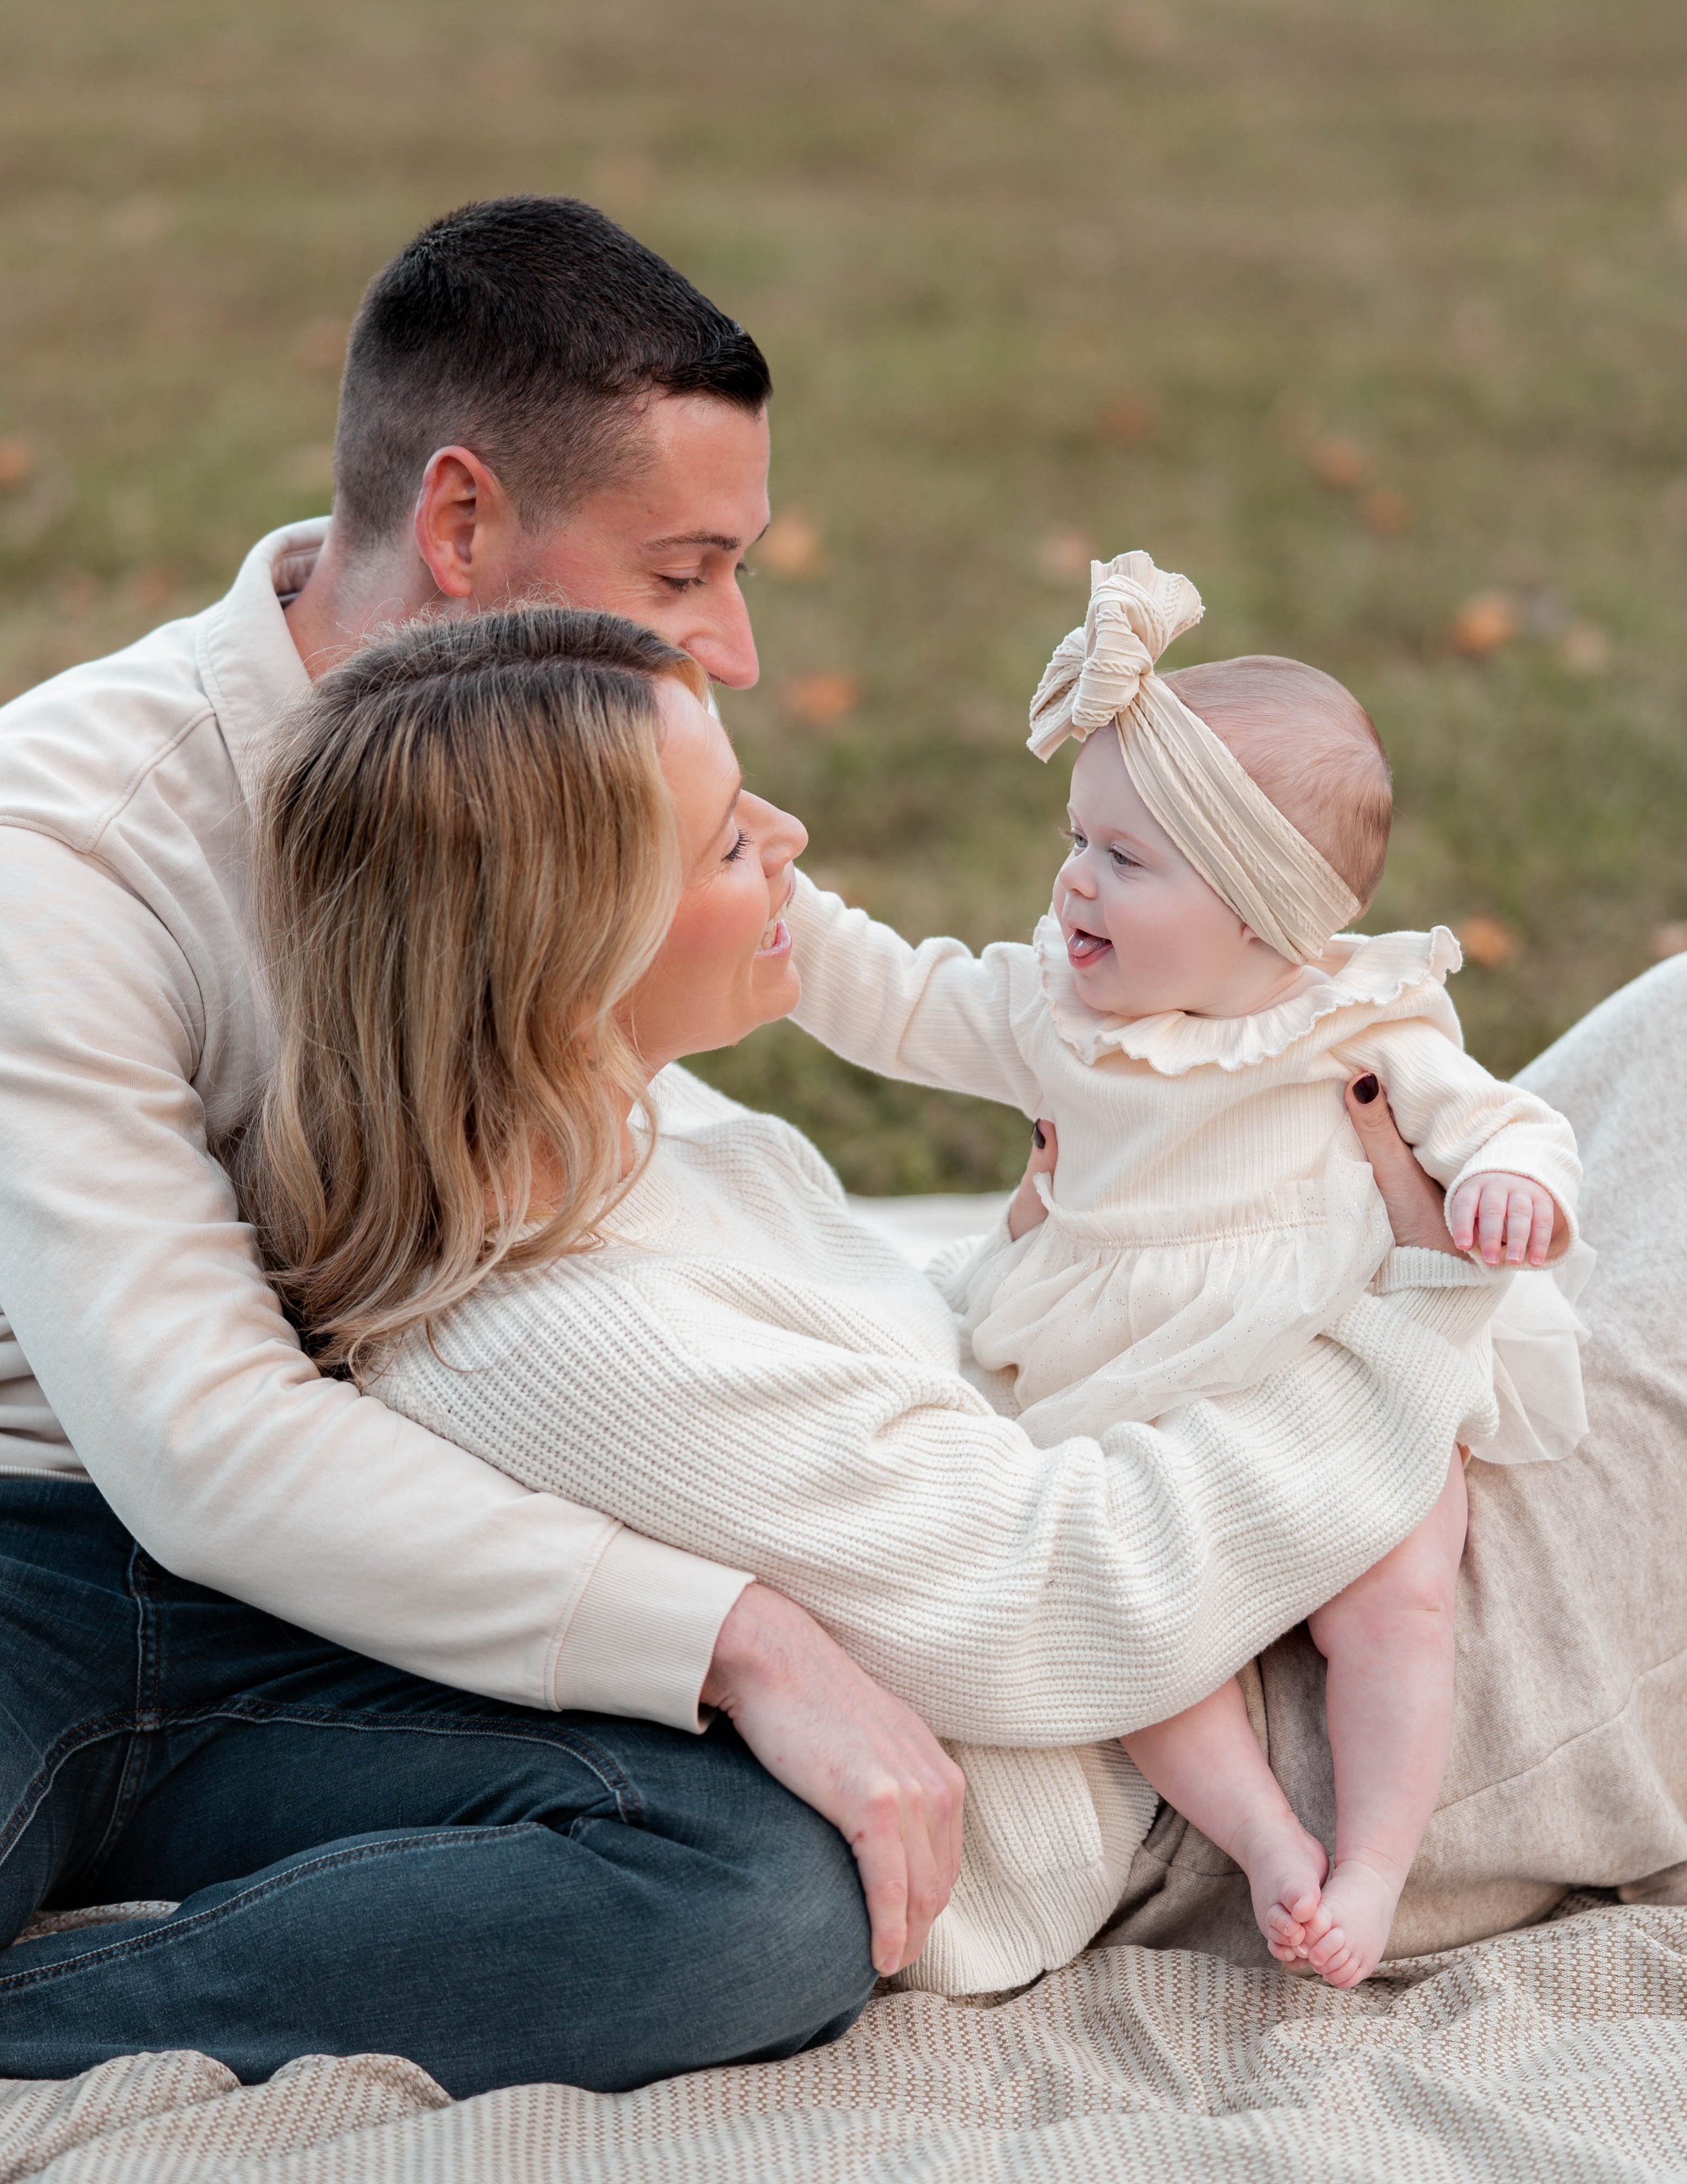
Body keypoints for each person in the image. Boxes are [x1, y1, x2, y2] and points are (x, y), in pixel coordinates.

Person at [0, 194, 1448, 2090]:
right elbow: (202, 1442)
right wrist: (736, 1635)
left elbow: (700, 1261)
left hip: (396, 1577)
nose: (738, 649)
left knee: (769, 1894)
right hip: (48, 1551)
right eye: (683, 570)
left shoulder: (600, 798)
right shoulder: (66, 848)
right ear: (460, 529)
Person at [220, 599, 1499, 2002]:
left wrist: (1052, 1260)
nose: (790, 837)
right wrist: (1418, 1305)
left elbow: (897, 1393)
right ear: (568, 944)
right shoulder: (581, 1341)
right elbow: (1063, 1598)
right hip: (1265, 1720)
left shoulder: (618, 1127)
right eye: (727, 841)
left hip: (1250, 1501)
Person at [773, 550, 1586, 1986]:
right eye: (1076, 839)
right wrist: (781, 901)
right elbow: (896, 999)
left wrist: (1513, 1184)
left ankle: (1372, 1865)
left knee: (1400, 1592)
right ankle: (1268, 1843)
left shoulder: (1355, 1020)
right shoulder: (1051, 1010)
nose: (1074, 879)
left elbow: (1497, 1121)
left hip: (1331, 1351)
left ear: (1260, 912)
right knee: (1138, 1625)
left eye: (1126, 860)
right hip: (1134, 1369)